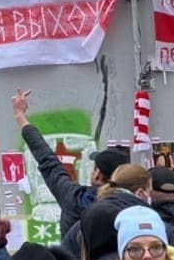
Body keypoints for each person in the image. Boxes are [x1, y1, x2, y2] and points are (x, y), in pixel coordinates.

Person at [12, 90, 129, 238]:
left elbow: (47, 159)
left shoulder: (74, 198)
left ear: (98, 175)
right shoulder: (134, 207)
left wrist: (19, 115)